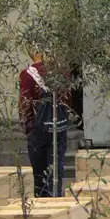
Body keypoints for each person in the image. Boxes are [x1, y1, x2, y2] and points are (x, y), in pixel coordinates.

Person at [20, 52, 76, 198]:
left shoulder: (26, 75)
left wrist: (29, 129)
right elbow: (67, 100)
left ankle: (41, 204)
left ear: (32, 51)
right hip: (58, 128)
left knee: (39, 175)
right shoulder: (63, 73)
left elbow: (25, 105)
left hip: (37, 131)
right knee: (56, 172)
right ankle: (56, 200)